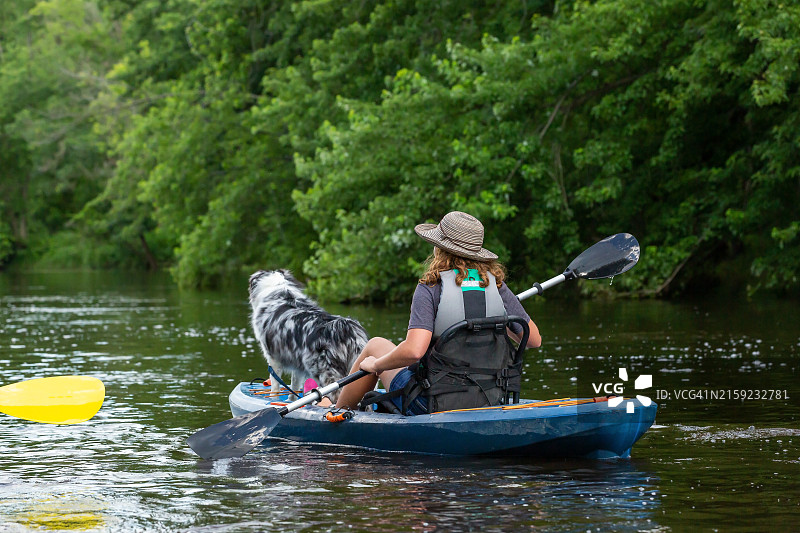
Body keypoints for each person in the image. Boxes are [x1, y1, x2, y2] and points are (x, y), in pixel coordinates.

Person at [336, 211, 541, 413]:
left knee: (376, 346)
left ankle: (338, 412)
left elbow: (414, 351)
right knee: (403, 354)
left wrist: (376, 365)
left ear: (440, 249)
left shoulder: (431, 287)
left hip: (430, 403)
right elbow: (534, 340)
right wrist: (497, 319)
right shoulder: (495, 286)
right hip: (490, 399)